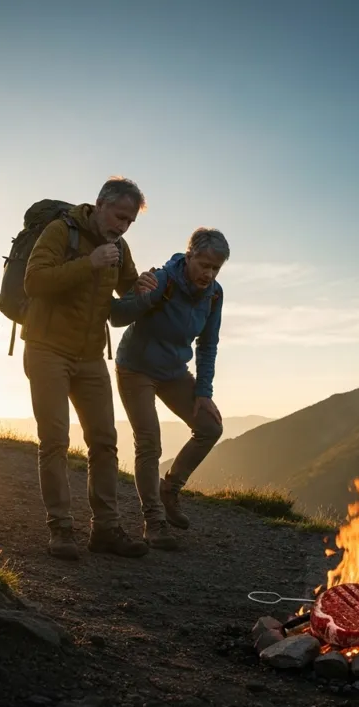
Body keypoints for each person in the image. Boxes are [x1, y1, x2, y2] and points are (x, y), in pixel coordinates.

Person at [22, 177, 156, 561]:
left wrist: (142, 288)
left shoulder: (121, 247)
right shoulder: (60, 231)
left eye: (130, 221)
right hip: (47, 348)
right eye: (119, 217)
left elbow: (126, 295)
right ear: (100, 204)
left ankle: (106, 530)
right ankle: (61, 529)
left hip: (91, 356)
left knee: (104, 442)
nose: (123, 226)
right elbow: (34, 282)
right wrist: (89, 263)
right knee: (55, 441)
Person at [109, 227, 229, 550]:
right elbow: (116, 317)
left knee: (210, 426)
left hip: (174, 372)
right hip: (135, 368)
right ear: (189, 256)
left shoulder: (214, 295)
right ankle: (154, 521)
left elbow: (208, 344)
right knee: (149, 442)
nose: (209, 273)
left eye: (216, 268)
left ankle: (171, 488)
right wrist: (138, 291)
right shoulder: (163, 280)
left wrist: (204, 392)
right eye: (204, 264)